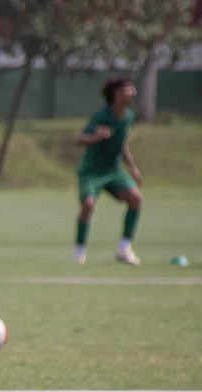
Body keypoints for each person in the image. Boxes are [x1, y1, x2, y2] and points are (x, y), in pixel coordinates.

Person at [72, 78, 143, 265]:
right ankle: (79, 251)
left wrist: (132, 167)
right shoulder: (101, 116)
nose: (133, 92)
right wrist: (95, 137)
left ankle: (124, 248)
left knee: (136, 198)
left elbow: (122, 143)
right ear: (116, 93)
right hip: (92, 171)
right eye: (128, 88)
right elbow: (79, 139)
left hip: (114, 170)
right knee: (88, 205)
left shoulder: (129, 117)